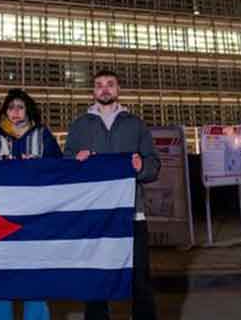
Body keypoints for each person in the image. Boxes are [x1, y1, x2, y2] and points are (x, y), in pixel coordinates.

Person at [64, 69, 160, 320]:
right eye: (99, 85)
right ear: (93, 91)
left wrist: (142, 167)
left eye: (109, 84)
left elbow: (153, 163)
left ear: (118, 90)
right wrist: (76, 161)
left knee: (139, 278)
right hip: (94, 214)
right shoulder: (79, 125)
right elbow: (66, 165)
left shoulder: (135, 124)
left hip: (132, 214)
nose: (104, 89)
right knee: (96, 278)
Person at [0, 88, 62, 320]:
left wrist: (38, 166)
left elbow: (59, 169)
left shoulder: (43, 136)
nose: (15, 111)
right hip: (1, 216)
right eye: (11, 107)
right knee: (0, 273)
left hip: (35, 216)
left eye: (20, 107)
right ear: (4, 112)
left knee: (34, 271)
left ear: (28, 111)